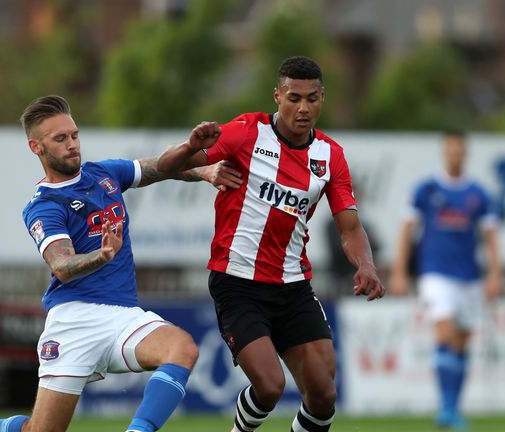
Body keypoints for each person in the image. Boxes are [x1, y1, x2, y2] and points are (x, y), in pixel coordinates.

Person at [0, 95, 242, 432]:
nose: (72, 145)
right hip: (74, 321)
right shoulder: (44, 206)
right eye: (60, 139)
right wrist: (100, 256)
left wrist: (203, 168)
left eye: (74, 135)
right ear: (36, 147)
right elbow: (61, 265)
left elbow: (162, 167)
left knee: (182, 348)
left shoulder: (104, 174)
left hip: (123, 316)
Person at [156, 56, 385, 432]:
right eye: (294, 97)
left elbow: (350, 227)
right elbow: (167, 166)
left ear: (322, 98)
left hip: (293, 285)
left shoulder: (329, 156)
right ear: (277, 95)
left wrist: (366, 265)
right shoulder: (247, 132)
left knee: (324, 394)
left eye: (312, 98)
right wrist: (190, 147)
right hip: (238, 283)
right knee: (270, 385)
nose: (303, 108)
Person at [389, 130, 503, 430]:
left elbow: (491, 237)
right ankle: (446, 409)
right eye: (450, 148)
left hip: (470, 276)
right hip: (436, 273)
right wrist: (399, 271)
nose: (454, 153)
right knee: (445, 333)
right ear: (444, 152)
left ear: (465, 153)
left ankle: (453, 407)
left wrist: (495, 273)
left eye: (459, 149)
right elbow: (406, 230)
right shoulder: (425, 189)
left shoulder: (478, 194)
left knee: (462, 343)